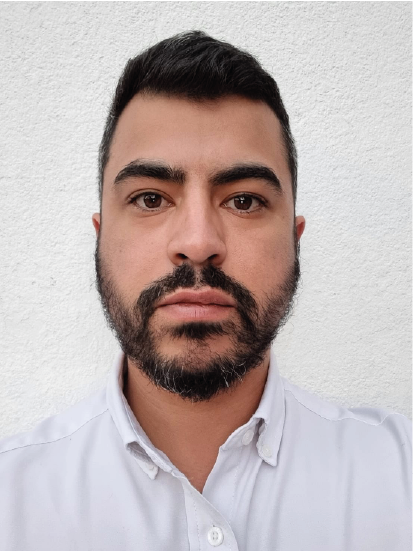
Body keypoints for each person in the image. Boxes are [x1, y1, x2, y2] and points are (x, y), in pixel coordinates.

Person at [0, 31, 410, 551]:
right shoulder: (11, 501)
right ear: (100, 236)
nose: (198, 244)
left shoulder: (400, 478)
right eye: (151, 198)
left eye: (244, 201)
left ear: (295, 239)